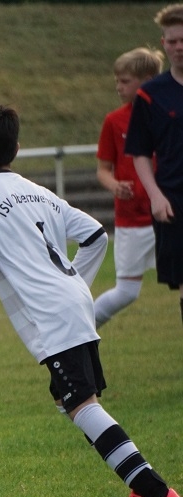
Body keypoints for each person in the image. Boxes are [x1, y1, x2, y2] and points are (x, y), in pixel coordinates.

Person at [0, 102, 182, 497]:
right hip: (75, 305)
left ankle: (158, 494)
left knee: (82, 405)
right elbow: (95, 235)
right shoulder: (38, 191)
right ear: (17, 148)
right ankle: (138, 485)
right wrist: (73, 285)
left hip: (57, 315)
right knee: (69, 400)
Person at [93, 48, 164, 328]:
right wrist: (114, 185)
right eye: (117, 81)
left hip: (169, 215)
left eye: (124, 81)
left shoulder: (169, 113)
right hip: (132, 219)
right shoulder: (114, 121)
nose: (118, 87)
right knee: (126, 292)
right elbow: (103, 170)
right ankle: (77, 335)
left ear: (147, 81)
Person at [125, 4, 183, 326]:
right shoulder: (150, 95)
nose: (179, 47)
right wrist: (155, 196)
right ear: (163, 43)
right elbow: (140, 152)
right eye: (172, 41)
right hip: (174, 200)